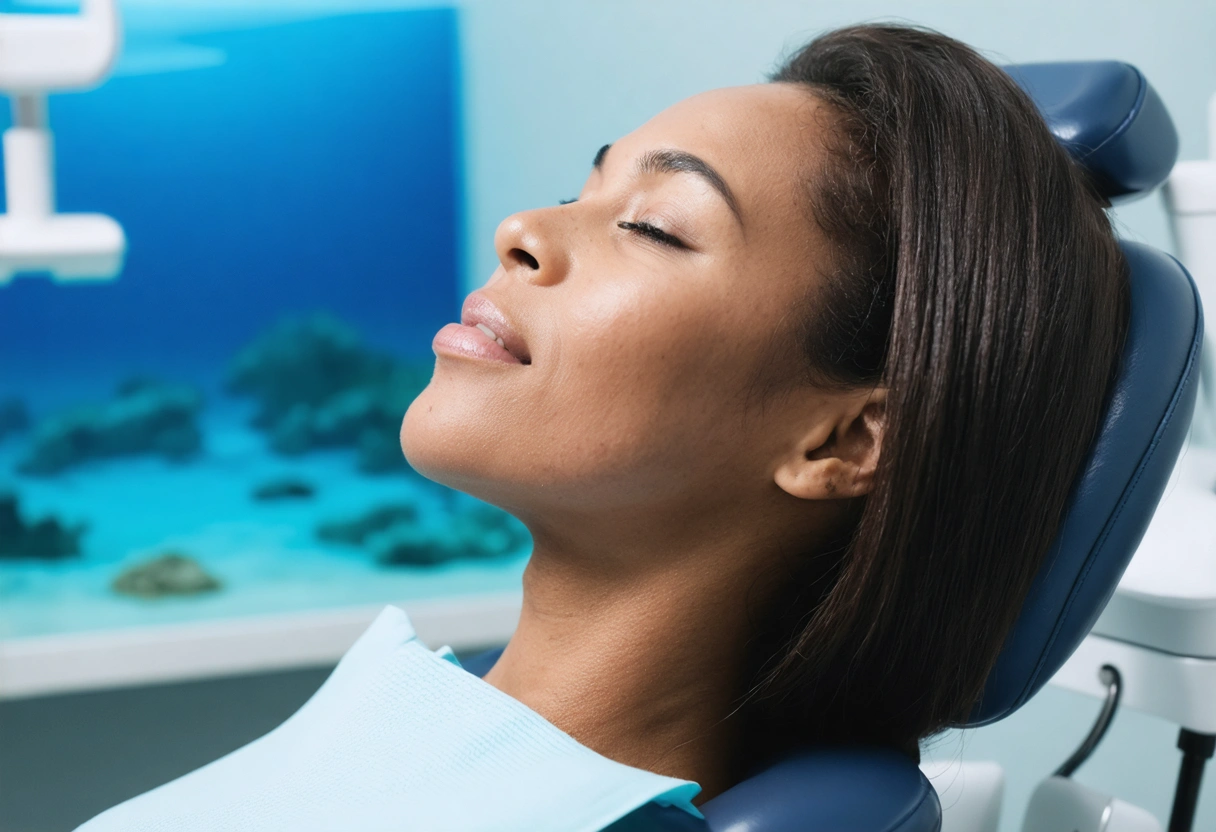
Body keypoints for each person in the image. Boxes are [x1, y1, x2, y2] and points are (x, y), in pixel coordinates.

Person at [79, 22, 1127, 829]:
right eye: (590, 182)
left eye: (653, 226)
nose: (522, 231)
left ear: (842, 443)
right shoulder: (441, 708)